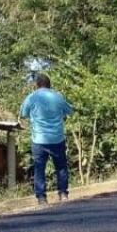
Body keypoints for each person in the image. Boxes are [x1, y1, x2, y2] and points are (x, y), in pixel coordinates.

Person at [20, 73, 73, 206]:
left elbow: (23, 113)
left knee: (39, 168)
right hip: (57, 138)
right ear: (50, 85)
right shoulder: (58, 96)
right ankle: (63, 194)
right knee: (61, 167)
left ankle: (42, 198)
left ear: (37, 84)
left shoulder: (31, 97)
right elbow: (69, 110)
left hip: (39, 139)